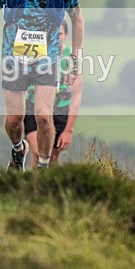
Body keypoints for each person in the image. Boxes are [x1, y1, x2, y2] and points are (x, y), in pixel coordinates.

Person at [0, 0, 84, 170]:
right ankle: (18, 149)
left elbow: (77, 20)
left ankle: (43, 165)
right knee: (14, 119)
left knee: (44, 117)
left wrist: (74, 59)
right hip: (14, 57)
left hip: (47, 58)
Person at [24, 20, 83, 168]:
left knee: (54, 155)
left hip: (60, 108)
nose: (56, 38)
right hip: (34, 106)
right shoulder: (35, 54)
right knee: (38, 152)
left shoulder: (72, 59)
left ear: (66, 35)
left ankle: (48, 186)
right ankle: (31, 185)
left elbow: (76, 97)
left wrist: (69, 130)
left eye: (59, 34)